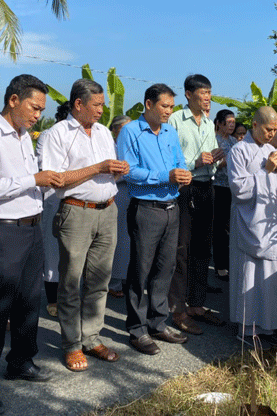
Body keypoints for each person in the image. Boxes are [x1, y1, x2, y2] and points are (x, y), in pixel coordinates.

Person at [0, 74, 64, 416]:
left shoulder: (24, 136)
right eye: (34, 107)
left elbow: (27, 185)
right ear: (13, 100)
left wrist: (43, 185)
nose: (38, 114)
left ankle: (21, 362)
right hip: (3, 232)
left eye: (41, 109)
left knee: (28, 303)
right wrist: (32, 180)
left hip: (32, 229)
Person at [39, 79, 129, 372]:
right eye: (97, 105)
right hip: (76, 213)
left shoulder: (103, 132)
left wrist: (117, 170)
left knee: (99, 281)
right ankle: (71, 344)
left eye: (103, 104)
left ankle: (91, 337)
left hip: (108, 210)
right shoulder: (57, 134)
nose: (102, 110)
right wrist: (99, 167)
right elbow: (56, 178)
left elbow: (107, 172)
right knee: (70, 281)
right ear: (79, 104)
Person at [117, 83, 193, 355]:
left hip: (172, 208)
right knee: (141, 269)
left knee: (165, 269)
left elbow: (179, 161)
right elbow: (129, 171)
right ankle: (137, 330)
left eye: (172, 107)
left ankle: (158, 323)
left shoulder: (170, 131)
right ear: (148, 104)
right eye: (164, 106)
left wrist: (183, 174)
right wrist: (166, 176)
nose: (169, 112)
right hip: (146, 208)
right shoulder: (131, 132)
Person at [227, 106, 277, 348]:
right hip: (249, 220)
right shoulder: (239, 151)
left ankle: (267, 325)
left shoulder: (271, 150)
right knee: (250, 274)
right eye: (268, 129)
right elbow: (239, 189)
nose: (271, 134)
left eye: (275, 130)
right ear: (254, 125)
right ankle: (247, 329)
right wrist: (266, 170)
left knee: (270, 278)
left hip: (270, 220)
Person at [167, 74, 225, 336]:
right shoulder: (175, 120)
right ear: (188, 94)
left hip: (206, 188)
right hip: (184, 188)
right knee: (181, 249)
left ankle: (197, 304)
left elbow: (210, 157)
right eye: (203, 93)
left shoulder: (209, 123)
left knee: (203, 247)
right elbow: (170, 157)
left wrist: (216, 160)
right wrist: (195, 162)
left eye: (209, 93)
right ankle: (178, 309)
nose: (207, 97)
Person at [36, 104, 70, 320]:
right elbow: (49, 170)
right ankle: (53, 299)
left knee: (70, 252)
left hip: (74, 197)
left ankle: (68, 297)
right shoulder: (49, 135)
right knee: (52, 250)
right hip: (52, 197)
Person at [109, 115, 133, 297]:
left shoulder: (132, 147)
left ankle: (125, 278)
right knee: (118, 238)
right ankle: (114, 281)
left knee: (129, 238)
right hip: (118, 192)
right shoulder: (110, 147)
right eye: (125, 128)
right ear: (115, 130)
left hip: (132, 192)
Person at [212, 109, 237, 282]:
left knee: (232, 228)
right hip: (217, 187)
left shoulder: (235, 141)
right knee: (219, 229)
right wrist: (223, 163)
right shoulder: (213, 139)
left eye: (234, 122)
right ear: (219, 123)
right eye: (228, 122)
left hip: (233, 188)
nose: (232, 125)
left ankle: (230, 264)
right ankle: (220, 266)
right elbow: (212, 163)